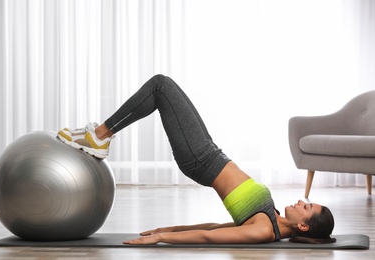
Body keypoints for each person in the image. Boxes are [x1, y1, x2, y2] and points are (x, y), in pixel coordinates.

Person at [58, 74, 335, 245]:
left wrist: (163, 239)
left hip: (200, 159)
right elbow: (214, 227)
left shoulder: (264, 230)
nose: (302, 201)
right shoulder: (271, 220)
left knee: (160, 86)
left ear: (303, 225)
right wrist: (171, 228)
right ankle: (99, 134)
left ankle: (99, 135)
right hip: (210, 152)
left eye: (307, 207)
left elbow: (210, 237)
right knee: (165, 86)